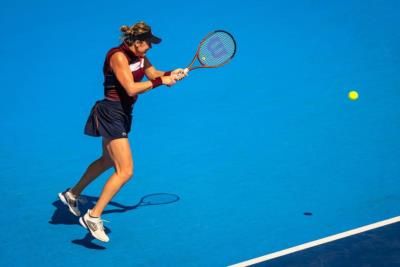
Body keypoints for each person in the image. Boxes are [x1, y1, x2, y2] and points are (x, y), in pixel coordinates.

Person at [58, 21, 186, 242]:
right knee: (125, 171)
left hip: (124, 113)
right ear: (136, 42)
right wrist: (161, 82)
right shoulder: (118, 56)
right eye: (148, 43)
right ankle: (93, 216)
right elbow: (130, 87)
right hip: (112, 112)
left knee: (108, 160)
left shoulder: (141, 56)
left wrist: (170, 73)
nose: (150, 47)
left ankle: (72, 194)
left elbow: (153, 72)